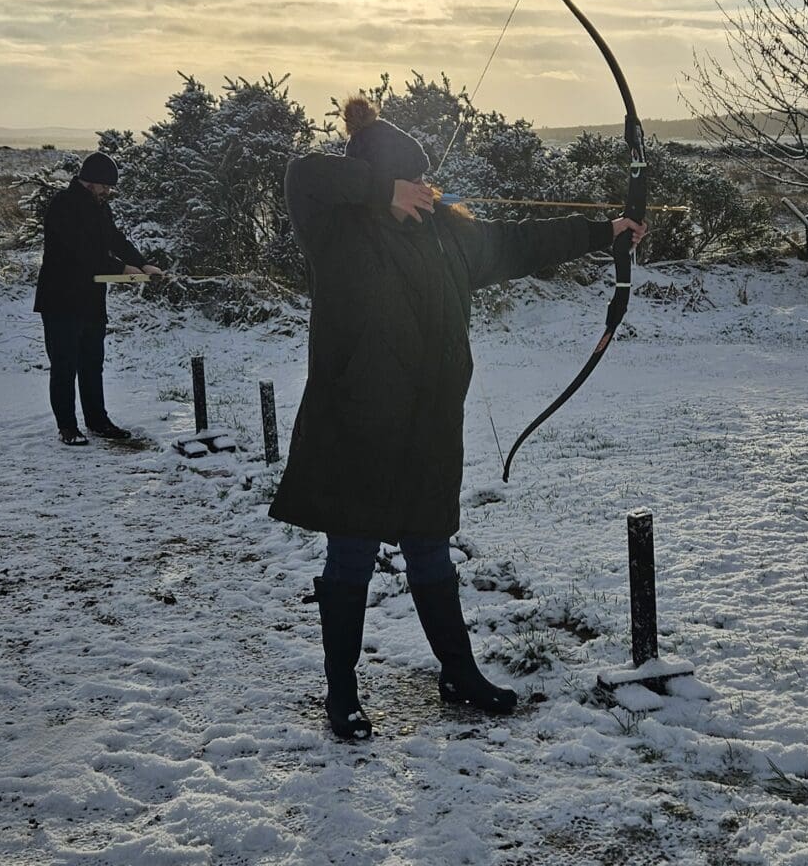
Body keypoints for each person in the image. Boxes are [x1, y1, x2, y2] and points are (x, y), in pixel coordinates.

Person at [268, 97, 646, 739]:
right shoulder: (334, 228)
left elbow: (515, 244)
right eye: (408, 180)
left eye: (422, 178)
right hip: (353, 423)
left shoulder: (445, 232)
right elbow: (302, 176)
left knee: (430, 551)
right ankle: (341, 693)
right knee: (351, 559)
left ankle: (458, 673)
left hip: (429, 420)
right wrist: (377, 191)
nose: (422, 190)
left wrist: (602, 230)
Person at [33, 151, 163, 446]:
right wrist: (119, 268)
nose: (108, 191)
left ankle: (98, 421)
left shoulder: (100, 208)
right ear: (90, 181)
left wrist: (142, 264)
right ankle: (67, 427)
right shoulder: (63, 206)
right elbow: (80, 251)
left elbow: (114, 239)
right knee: (64, 364)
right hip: (60, 299)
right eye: (105, 186)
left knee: (92, 363)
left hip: (91, 299)